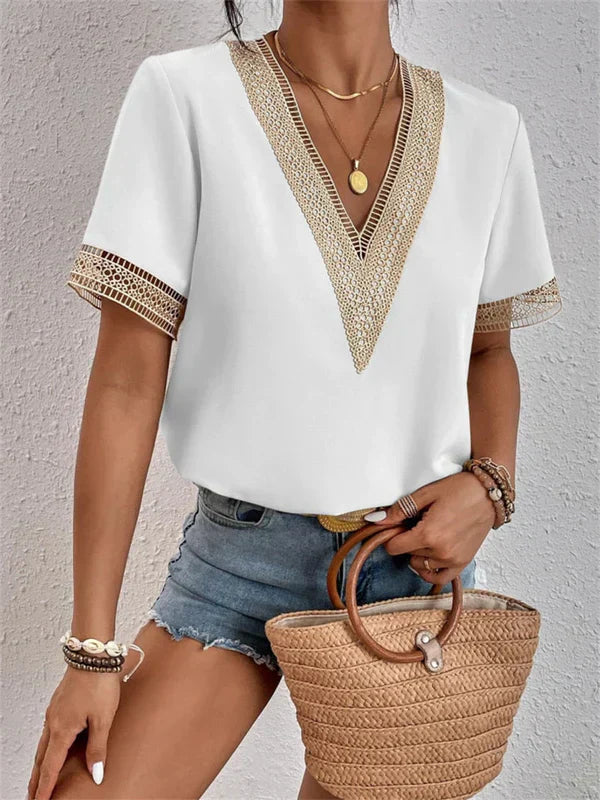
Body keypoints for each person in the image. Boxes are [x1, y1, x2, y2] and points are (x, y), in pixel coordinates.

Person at [28, 1, 562, 798]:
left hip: (410, 575)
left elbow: (488, 351)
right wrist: (91, 653)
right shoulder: (185, 98)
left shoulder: (488, 132)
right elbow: (125, 384)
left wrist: (490, 486)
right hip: (238, 563)